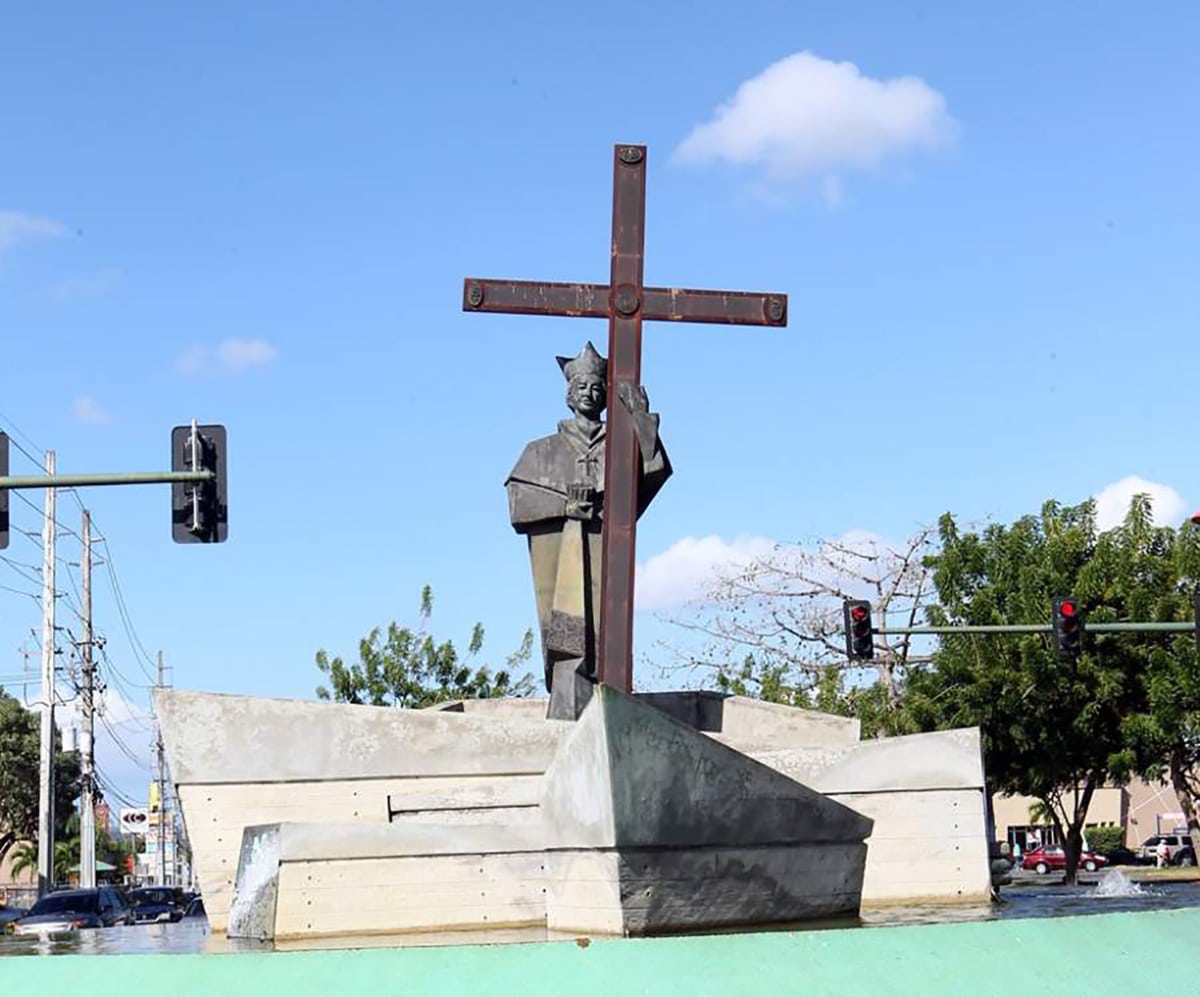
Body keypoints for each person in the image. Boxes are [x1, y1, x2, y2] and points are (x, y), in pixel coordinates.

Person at [505, 342, 671, 719]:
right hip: (561, 559)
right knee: (568, 638)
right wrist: (565, 508)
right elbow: (518, 503)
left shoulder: (620, 447)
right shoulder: (541, 451)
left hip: (604, 555)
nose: (590, 394)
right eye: (582, 387)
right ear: (568, 393)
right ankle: (568, 701)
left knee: (606, 638)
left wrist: (643, 424)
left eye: (597, 387)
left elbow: (649, 479)